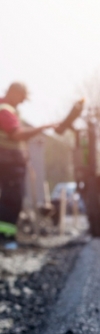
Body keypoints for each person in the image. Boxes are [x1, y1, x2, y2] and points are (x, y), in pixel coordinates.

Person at [0, 83, 58, 247]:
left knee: (10, 198)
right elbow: (17, 135)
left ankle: (7, 238)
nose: (22, 102)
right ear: (14, 93)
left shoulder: (7, 109)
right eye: (21, 98)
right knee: (11, 199)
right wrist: (43, 127)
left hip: (10, 162)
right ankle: (6, 239)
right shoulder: (5, 110)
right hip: (8, 163)